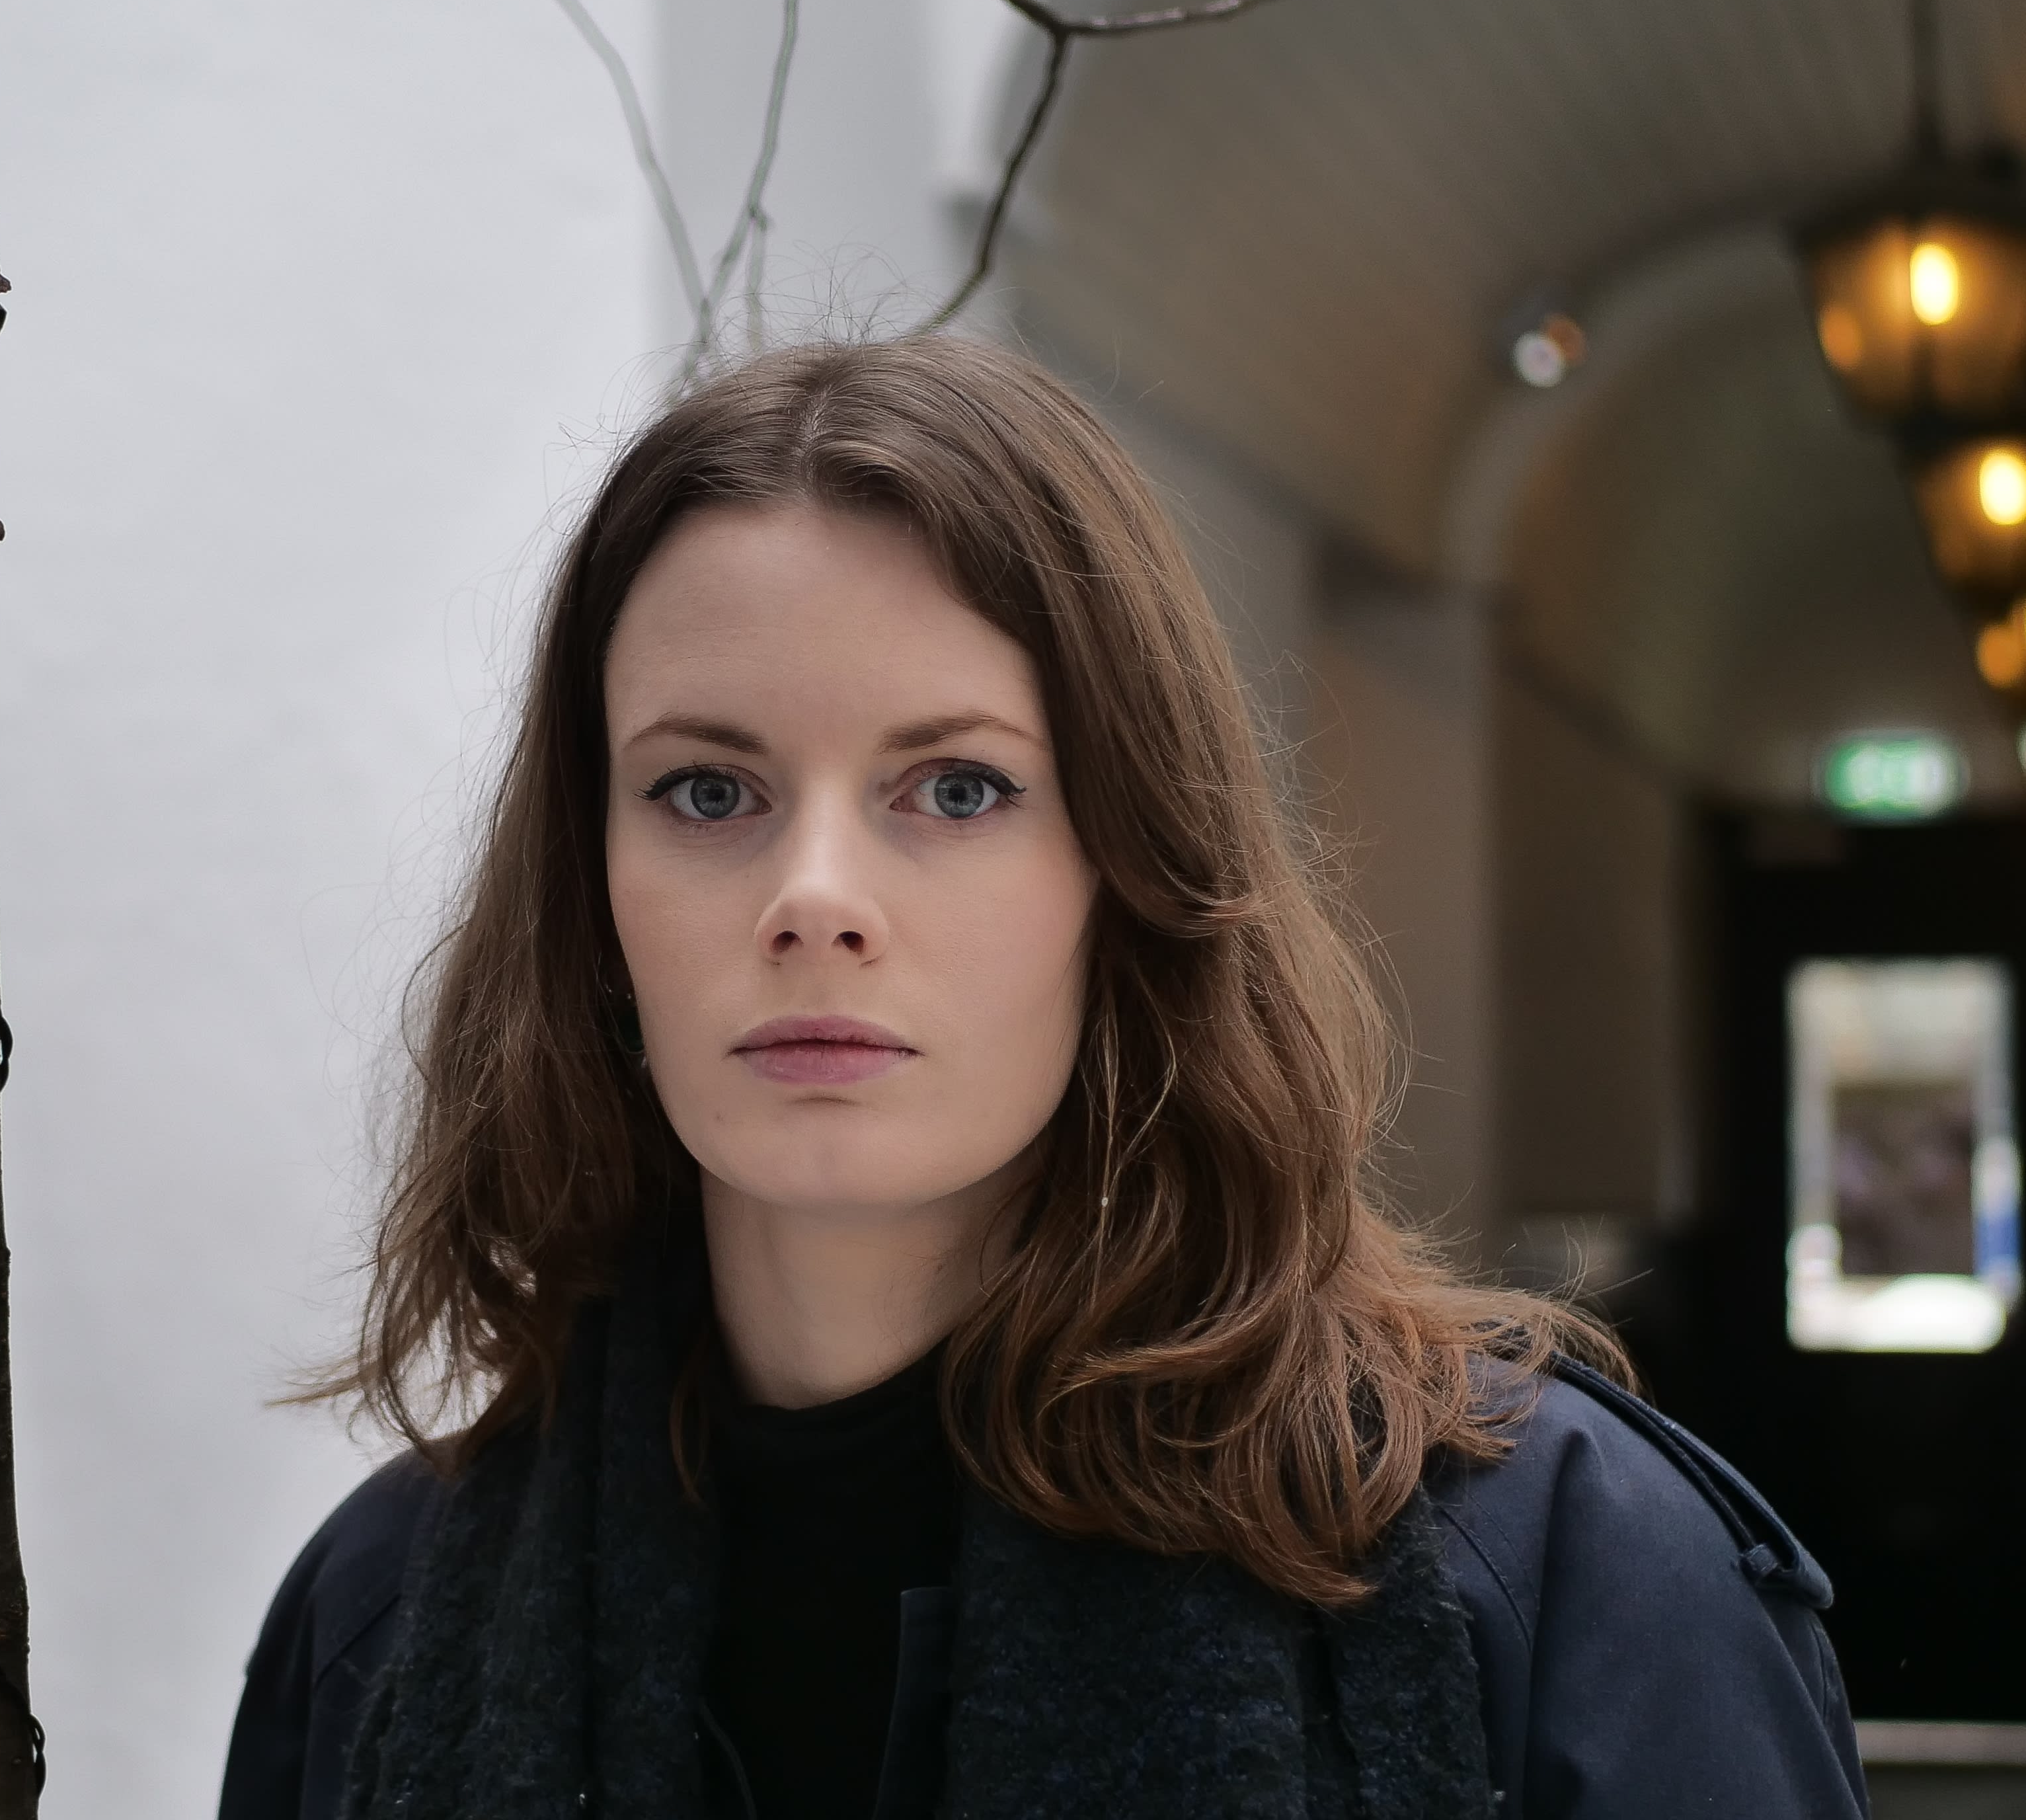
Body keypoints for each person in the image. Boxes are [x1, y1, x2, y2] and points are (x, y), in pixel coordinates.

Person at [216, 336, 1867, 1820]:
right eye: (708, 792)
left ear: (1130, 874)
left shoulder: (1561, 1578)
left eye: (956, 789)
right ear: (592, 893)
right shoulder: (382, 1624)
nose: (815, 899)